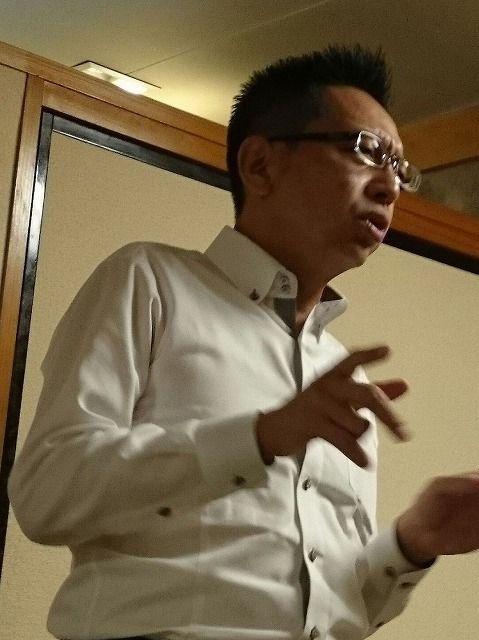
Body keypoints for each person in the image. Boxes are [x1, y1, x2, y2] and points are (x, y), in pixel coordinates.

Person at [8, 45, 479, 640]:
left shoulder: (345, 378)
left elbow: (332, 610)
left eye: (401, 170)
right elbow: (47, 493)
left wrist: (413, 542)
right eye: (367, 151)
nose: (390, 187)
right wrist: (258, 437)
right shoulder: (150, 282)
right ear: (260, 166)